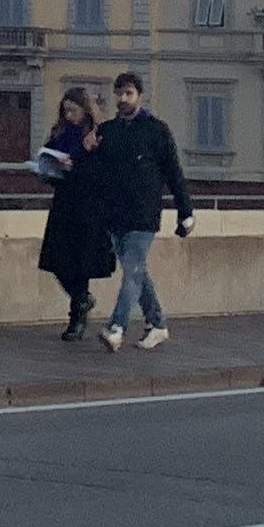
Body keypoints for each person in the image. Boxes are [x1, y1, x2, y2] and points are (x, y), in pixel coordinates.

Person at [79, 72, 191, 353]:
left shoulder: (156, 130)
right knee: (138, 272)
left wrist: (185, 211)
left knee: (131, 272)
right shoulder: (107, 131)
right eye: (119, 93)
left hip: (144, 214)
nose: (122, 99)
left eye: (128, 93)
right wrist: (88, 150)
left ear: (139, 95)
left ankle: (116, 327)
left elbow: (174, 173)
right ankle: (158, 324)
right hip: (115, 215)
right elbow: (95, 172)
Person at [30, 86, 109, 341]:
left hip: (86, 207)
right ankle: (83, 300)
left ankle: (76, 318)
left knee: (80, 265)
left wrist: (74, 165)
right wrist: (47, 170)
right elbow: (51, 159)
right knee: (56, 262)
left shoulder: (95, 136)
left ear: (85, 110)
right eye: (65, 110)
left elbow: (100, 173)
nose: (68, 115)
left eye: (72, 110)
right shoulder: (59, 133)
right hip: (63, 204)